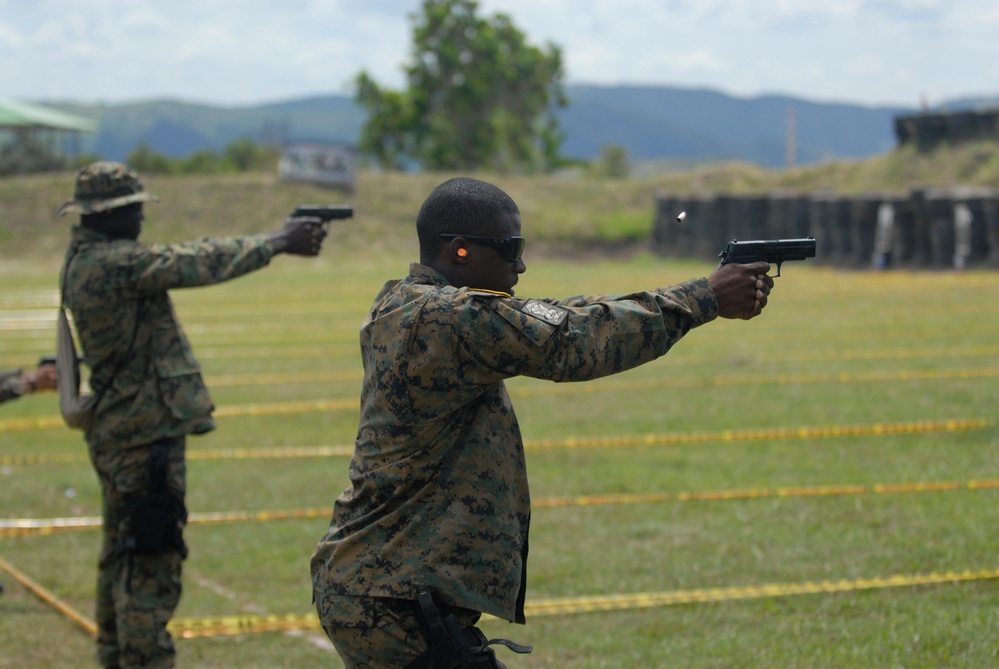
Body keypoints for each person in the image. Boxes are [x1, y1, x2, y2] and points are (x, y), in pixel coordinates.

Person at [310, 177, 774, 668]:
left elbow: (557, 314)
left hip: (383, 585)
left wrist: (690, 294)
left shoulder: (414, 303)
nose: (520, 263)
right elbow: (573, 340)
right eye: (510, 248)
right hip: (391, 598)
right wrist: (702, 297)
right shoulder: (446, 318)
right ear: (460, 251)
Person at [58, 160, 328, 669]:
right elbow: (199, 261)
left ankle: (115, 655)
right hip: (143, 435)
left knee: (122, 551)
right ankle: (143, 659)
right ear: (105, 216)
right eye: (129, 209)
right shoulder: (114, 264)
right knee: (150, 556)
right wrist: (277, 241)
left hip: (119, 431)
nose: (139, 216)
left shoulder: (83, 259)